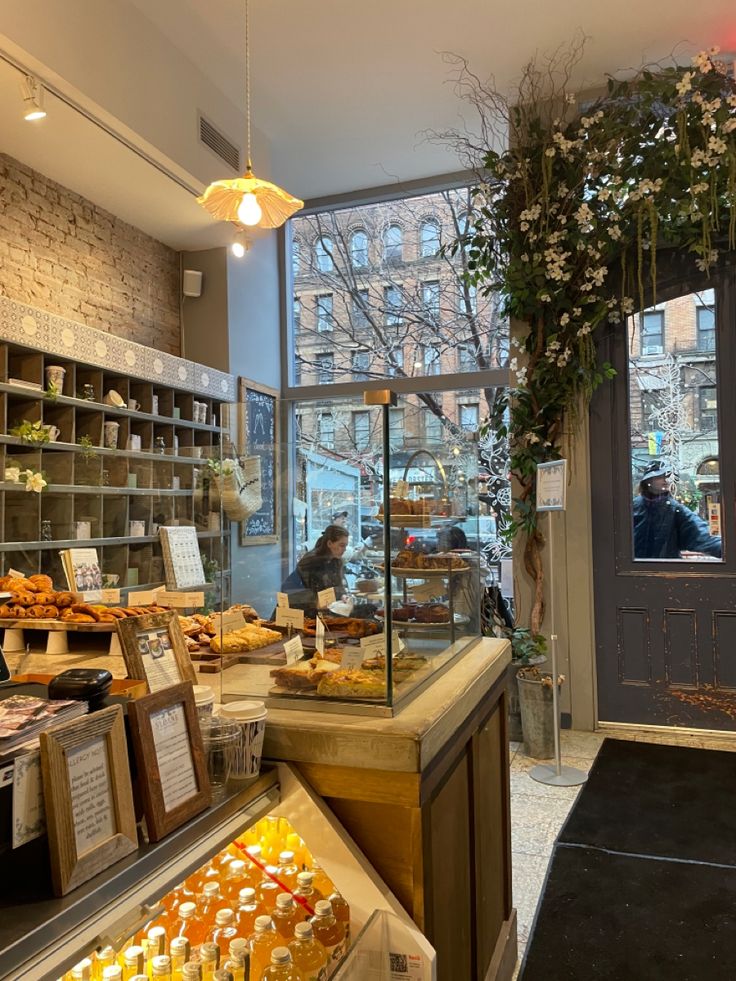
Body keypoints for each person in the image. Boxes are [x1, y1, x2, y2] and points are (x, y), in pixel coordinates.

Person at [633, 461, 722, 559]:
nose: (666, 480)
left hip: (666, 570)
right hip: (632, 570)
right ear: (648, 481)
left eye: (668, 476)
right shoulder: (633, 507)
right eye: (660, 476)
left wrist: (726, 549)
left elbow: (701, 535)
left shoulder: (675, 510)